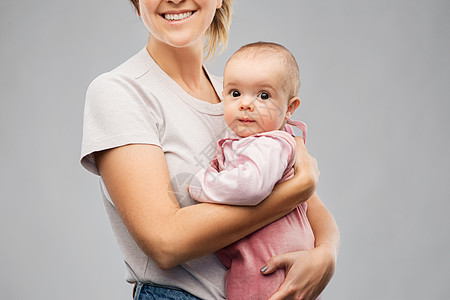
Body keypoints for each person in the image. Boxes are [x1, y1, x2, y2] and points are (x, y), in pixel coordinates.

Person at [80, 0, 339, 299]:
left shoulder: (240, 98)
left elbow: (311, 209)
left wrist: (326, 256)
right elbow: (166, 243)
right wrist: (297, 190)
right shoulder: (120, 92)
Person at [188, 41, 318, 300]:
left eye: (264, 96)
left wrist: (202, 183)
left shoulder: (270, 144)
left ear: (290, 108)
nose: (246, 104)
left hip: (267, 268)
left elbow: (250, 186)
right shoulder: (255, 141)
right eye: (235, 94)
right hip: (265, 260)